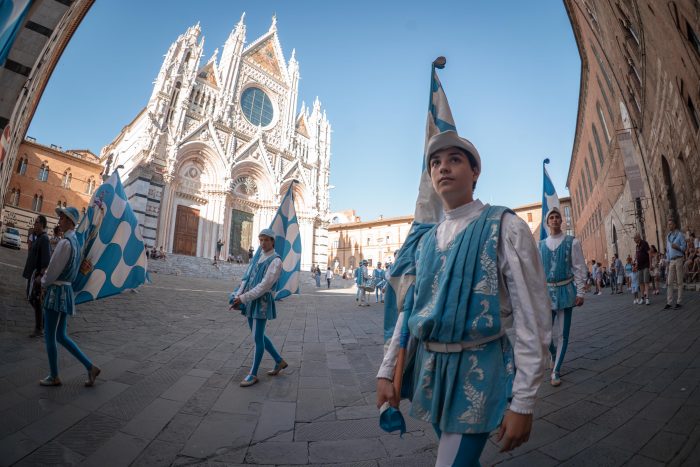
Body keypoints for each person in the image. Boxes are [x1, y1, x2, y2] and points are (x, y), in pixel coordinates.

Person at [376, 129, 550, 464]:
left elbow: (533, 315)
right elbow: (409, 314)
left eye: (454, 160)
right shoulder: (426, 241)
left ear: (475, 173)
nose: (443, 168)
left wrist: (524, 401)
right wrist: (387, 371)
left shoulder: (505, 226)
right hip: (433, 373)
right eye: (435, 163)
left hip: (480, 372)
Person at [39, 206, 100, 387]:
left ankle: (54, 375)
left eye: (63, 217)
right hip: (66, 292)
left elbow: (53, 270)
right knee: (61, 335)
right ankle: (90, 367)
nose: (60, 220)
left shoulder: (65, 243)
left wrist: (42, 283)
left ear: (70, 222)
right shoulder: (75, 242)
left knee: (50, 336)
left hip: (56, 292)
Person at [230, 229, 287, 387]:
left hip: (261, 302)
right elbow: (247, 277)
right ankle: (278, 361)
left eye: (266, 240)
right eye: (260, 240)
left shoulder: (276, 261)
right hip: (250, 300)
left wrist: (242, 298)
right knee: (258, 335)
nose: (263, 243)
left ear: (273, 241)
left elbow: (264, 286)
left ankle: (253, 374)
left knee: (257, 338)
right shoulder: (259, 257)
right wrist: (237, 293)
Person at [539, 207, 586, 387]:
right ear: (547, 222)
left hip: (566, 291)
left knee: (563, 335)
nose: (555, 219)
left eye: (557, 217)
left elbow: (579, 267)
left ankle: (556, 370)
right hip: (546, 294)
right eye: (551, 217)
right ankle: (552, 353)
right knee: (545, 334)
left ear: (561, 221)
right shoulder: (540, 245)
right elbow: (536, 272)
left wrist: (581, 292)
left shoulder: (572, 242)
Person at [22, 215, 51, 338]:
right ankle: (42, 325)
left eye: (37, 222)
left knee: (35, 300)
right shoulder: (38, 237)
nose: (35, 224)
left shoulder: (44, 239)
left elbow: (46, 259)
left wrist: (40, 275)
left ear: (42, 225)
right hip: (33, 275)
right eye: (35, 222)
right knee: (32, 299)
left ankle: (40, 327)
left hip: (37, 276)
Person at [664, 219, 686, 309]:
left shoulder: (680, 235)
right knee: (669, 282)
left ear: (674, 225)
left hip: (679, 259)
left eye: (671, 224)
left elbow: (684, 248)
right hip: (671, 261)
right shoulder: (668, 236)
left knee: (679, 281)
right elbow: (668, 251)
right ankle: (669, 302)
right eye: (668, 224)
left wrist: (678, 247)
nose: (669, 226)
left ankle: (679, 302)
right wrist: (668, 262)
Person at [634, 233, 651, 305]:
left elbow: (649, 253)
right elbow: (637, 256)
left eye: (635, 238)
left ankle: (647, 298)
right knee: (641, 283)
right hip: (639, 267)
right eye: (634, 239)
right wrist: (636, 265)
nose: (634, 240)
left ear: (639, 238)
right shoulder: (637, 246)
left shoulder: (644, 243)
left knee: (646, 281)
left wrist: (650, 264)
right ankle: (642, 298)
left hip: (646, 265)